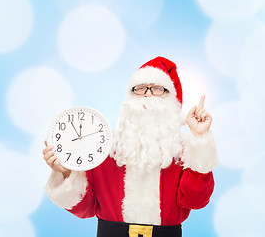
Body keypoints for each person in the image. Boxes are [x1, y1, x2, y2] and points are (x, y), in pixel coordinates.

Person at [42, 56, 218, 237]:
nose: (148, 94)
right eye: (140, 88)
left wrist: (199, 138)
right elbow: (85, 208)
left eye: (158, 89)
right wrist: (65, 172)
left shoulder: (183, 150)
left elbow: (195, 201)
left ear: (172, 99)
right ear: (129, 97)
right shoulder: (104, 146)